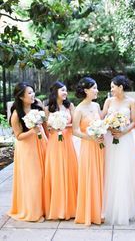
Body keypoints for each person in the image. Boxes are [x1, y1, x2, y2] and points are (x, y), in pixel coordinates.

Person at [102, 75, 135, 225]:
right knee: (111, 170)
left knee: (124, 171)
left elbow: (133, 122)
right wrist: (107, 125)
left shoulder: (131, 102)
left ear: (121, 87)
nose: (111, 90)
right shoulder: (108, 101)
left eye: (113, 87)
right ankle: (110, 208)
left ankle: (126, 210)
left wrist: (123, 132)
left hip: (125, 139)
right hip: (110, 138)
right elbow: (102, 116)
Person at [8, 82, 47, 222]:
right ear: (21, 97)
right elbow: (18, 136)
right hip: (27, 149)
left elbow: (45, 125)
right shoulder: (16, 114)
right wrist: (32, 131)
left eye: (33, 92)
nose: (33, 95)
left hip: (42, 143)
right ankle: (33, 212)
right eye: (29, 93)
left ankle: (45, 208)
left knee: (44, 176)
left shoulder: (37, 106)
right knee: (33, 179)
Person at [73, 77, 104, 226]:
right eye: (94, 88)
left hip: (101, 146)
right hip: (88, 146)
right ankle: (91, 212)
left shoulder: (97, 106)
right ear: (86, 90)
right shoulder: (79, 109)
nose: (97, 91)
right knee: (91, 176)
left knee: (102, 175)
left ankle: (102, 210)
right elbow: (74, 131)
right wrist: (90, 138)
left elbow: (103, 123)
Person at [44, 81, 78, 220]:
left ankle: (72, 207)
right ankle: (58, 208)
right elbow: (47, 129)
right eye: (62, 90)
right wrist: (54, 128)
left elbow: (75, 125)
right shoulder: (48, 108)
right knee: (56, 172)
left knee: (69, 171)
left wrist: (64, 125)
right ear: (55, 92)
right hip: (54, 144)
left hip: (68, 142)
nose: (65, 93)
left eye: (66, 90)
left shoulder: (70, 106)